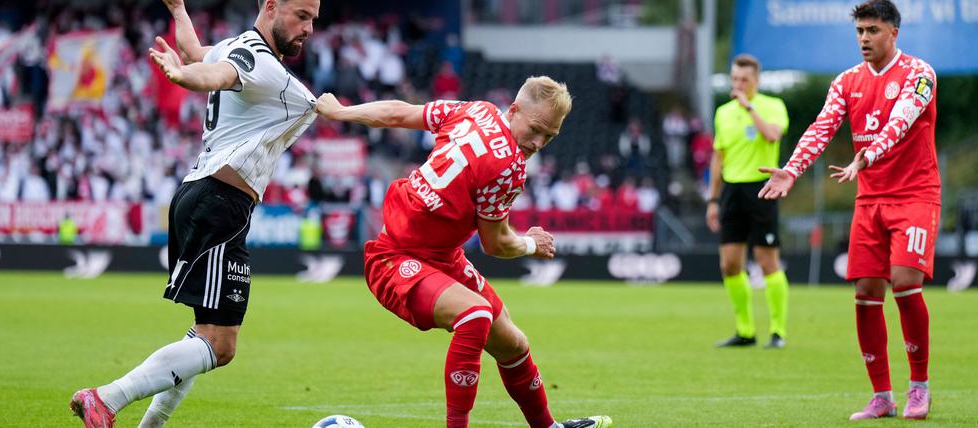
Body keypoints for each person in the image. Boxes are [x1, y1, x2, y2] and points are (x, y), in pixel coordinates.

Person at [69, 1, 322, 427]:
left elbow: (193, 50)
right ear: (271, 7)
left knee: (206, 335)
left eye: (314, 18)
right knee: (220, 346)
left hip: (209, 198)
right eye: (302, 15)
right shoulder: (253, 57)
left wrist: (179, 9)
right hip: (219, 202)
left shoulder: (234, 46)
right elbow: (213, 74)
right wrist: (182, 76)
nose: (310, 28)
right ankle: (106, 399)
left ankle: (146, 424)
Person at [315, 77, 612, 428]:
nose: (537, 143)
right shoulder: (510, 168)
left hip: (442, 257)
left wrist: (339, 112)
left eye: (549, 137)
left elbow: (398, 113)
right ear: (514, 110)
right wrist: (532, 243)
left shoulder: (474, 110)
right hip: (395, 257)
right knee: (474, 314)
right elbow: (495, 243)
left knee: (514, 345)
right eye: (535, 129)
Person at [757, 0, 937, 420]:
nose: (864, 39)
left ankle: (919, 388)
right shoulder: (846, 81)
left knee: (906, 282)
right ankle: (881, 396)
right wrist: (792, 170)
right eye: (859, 31)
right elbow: (822, 126)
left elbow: (902, 121)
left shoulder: (919, 74)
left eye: (872, 30)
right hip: (870, 199)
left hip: (914, 194)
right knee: (866, 293)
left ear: (893, 32)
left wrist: (866, 157)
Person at [706, 54, 790, 349]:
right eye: (734, 79)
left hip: (762, 189)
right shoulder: (723, 113)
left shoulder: (772, 106)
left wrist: (750, 107)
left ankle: (777, 331)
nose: (738, 85)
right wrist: (713, 199)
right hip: (731, 191)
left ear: (756, 81)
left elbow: (771, 136)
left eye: (744, 80)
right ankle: (745, 331)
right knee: (730, 264)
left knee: (768, 261)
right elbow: (719, 157)